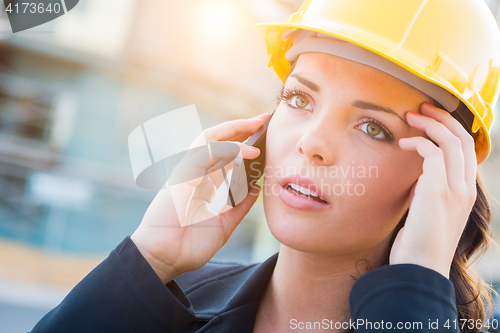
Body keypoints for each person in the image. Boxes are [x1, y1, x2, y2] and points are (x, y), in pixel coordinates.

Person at [31, 0, 500, 332]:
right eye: (298, 99)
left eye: (373, 127)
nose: (311, 142)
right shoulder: (160, 302)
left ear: (438, 177)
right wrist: (151, 259)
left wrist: (415, 295)